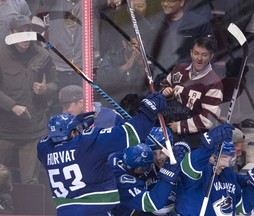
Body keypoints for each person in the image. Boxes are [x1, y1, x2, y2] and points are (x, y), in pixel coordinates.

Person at [37, 92, 167, 216]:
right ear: (73, 133)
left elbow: (56, 141)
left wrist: (77, 125)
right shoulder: (87, 143)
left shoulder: (44, 149)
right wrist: (149, 110)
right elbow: (130, 133)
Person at [0, 15, 57, 184]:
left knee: (30, 182)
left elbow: (55, 85)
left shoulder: (43, 54)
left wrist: (46, 89)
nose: (25, 36)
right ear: (12, 33)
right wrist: (12, 106)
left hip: (33, 129)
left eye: (28, 31)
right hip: (5, 131)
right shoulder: (1, 55)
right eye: (20, 31)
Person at [174, 139, 254, 215]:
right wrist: (209, 140)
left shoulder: (228, 173)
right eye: (224, 156)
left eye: (231, 156)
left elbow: (243, 207)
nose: (229, 160)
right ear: (211, 156)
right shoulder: (200, 171)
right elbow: (189, 166)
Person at [160, 36, 223, 149]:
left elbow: (208, 119)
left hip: (193, 139)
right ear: (191, 53)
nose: (199, 58)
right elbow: (163, 85)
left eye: (204, 55)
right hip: (167, 129)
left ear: (211, 56)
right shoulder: (180, 69)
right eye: (196, 53)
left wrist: (180, 126)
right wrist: (166, 92)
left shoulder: (214, 83)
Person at [109, 141, 189, 216]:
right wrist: (168, 174)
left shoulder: (116, 157)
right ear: (139, 169)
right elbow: (153, 203)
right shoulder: (125, 184)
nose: (158, 158)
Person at [150, 0, 214, 74]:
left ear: (181, 2)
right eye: (162, 1)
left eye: (170, 1)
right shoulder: (156, 24)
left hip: (192, 77)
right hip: (163, 75)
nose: (165, 4)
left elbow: (209, 52)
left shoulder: (198, 23)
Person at [96, 33, 150, 111]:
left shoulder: (145, 60)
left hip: (135, 107)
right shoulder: (111, 57)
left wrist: (141, 64)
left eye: (139, 46)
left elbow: (152, 84)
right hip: (112, 106)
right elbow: (102, 79)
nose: (136, 49)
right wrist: (125, 67)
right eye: (134, 45)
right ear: (125, 44)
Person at [58, 85, 125, 128]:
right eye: (62, 108)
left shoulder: (111, 116)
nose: (64, 111)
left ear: (81, 102)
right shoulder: (65, 123)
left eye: (67, 107)